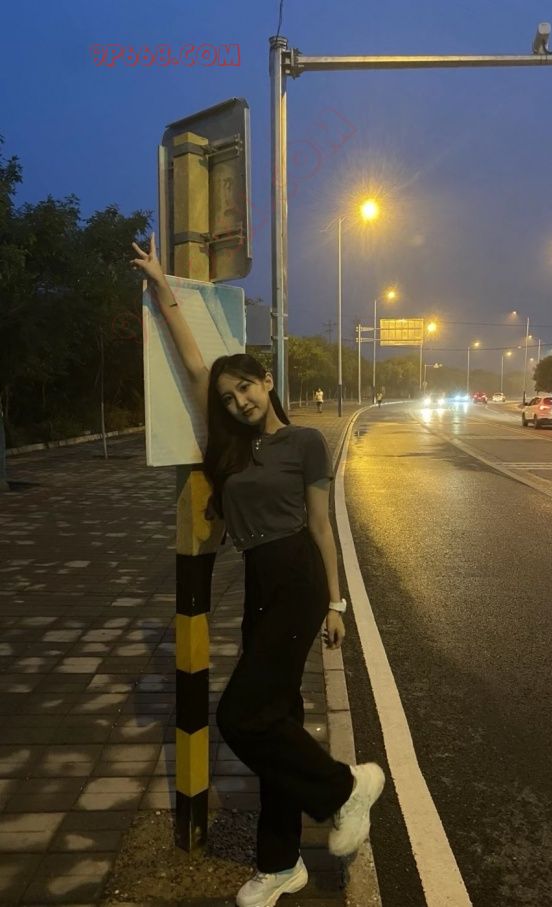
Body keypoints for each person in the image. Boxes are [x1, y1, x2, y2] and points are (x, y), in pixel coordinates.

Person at [130, 234, 385, 907]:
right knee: (277, 717)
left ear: (267, 381)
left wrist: (337, 604)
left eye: (245, 386)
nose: (237, 400)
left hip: (298, 577)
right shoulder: (231, 447)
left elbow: (323, 527)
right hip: (259, 580)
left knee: (241, 716)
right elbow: (193, 363)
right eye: (228, 395)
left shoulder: (305, 442)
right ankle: (279, 863)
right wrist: (161, 285)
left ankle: (346, 787)